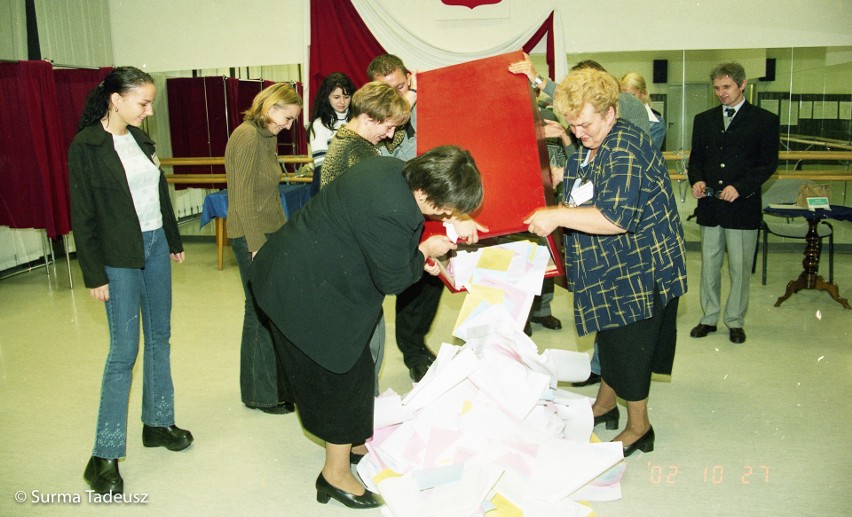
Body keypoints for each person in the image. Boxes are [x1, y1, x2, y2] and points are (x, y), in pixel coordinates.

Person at [248, 146, 484, 509]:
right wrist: (424, 253)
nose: (446, 215)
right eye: (445, 208)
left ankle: (353, 441)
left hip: (306, 268)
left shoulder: (391, 169)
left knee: (355, 368)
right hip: (301, 288)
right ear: (425, 193)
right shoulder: (393, 210)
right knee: (340, 375)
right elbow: (392, 280)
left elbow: (385, 240)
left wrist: (416, 254)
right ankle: (334, 475)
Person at [524, 68, 687, 456]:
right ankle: (605, 403)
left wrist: (557, 215)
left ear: (611, 113)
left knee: (631, 347)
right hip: (612, 264)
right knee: (611, 338)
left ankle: (639, 426)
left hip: (641, 266)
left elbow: (615, 218)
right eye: (573, 125)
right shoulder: (593, 142)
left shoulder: (626, 146)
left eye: (585, 124)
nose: (579, 133)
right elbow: (584, 182)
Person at [69, 67, 193, 495]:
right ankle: (103, 455)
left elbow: (158, 190)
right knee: (123, 352)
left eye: (150, 101)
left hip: (156, 244)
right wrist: (94, 273)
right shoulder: (86, 145)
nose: (149, 110)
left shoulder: (141, 139)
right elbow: (82, 215)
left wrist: (174, 239)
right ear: (115, 99)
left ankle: (157, 422)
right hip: (118, 255)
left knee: (161, 336)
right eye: (143, 102)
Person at [510, 56, 652, 385]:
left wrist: (541, 81)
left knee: (623, 323)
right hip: (603, 236)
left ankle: (616, 383)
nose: (579, 130)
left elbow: (616, 211)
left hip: (627, 241)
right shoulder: (596, 132)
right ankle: (604, 372)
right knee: (608, 314)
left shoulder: (626, 109)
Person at [368, 54, 487, 382]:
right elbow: (391, 163)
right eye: (387, 90)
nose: (397, 95)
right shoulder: (381, 121)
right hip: (406, 206)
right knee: (414, 283)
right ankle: (414, 351)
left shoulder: (431, 102)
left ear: (410, 76)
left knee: (437, 280)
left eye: (401, 86)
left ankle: (431, 343)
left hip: (439, 203)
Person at [319, 80, 411, 388]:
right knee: (367, 344)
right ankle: (362, 416)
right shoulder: (358, 152)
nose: (390, 135)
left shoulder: (349, 140)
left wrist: (403, 103)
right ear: (369, 117)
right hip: (351, 260)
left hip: (342, 254)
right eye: (386, 127)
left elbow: (389, 133)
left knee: (366, 340)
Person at [688, 62, 780, 344]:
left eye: (726, 87)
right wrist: (697, 181)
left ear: (742, 85)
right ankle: (709, 316)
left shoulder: (764, 120)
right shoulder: (704, 119)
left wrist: (739, 187)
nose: (721, 93)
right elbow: (696, 161)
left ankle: (735, 320)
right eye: (716, 88)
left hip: (742, 207)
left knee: (739, 268)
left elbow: (768, 164)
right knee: (710, 266)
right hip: (711, 207)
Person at [225, 82, 302, 415]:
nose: (288, 127)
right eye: (286, 118)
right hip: (250, 235)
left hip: (269, 232)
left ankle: (270, 386)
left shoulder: (266, 138)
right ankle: (260, 394)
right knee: (258, 311)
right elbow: (241, 197)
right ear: (270, 108)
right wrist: (256, 245)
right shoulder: (246, 136)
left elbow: (270, 195)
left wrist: (283, 236)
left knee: (267, 310)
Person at [308, 72, 356, 194]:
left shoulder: (358, 119)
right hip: (330, 183)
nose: (342, 102)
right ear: (327, 97)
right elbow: (322, 164)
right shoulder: (320, 124)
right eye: (336, 97)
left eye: (346, 97)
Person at [620, 72, 667, 150]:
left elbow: (648, 153)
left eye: (632, 95)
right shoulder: (615, 118)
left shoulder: (656, 124)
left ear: (644, 94)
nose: (627, 100)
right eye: (623, 96)